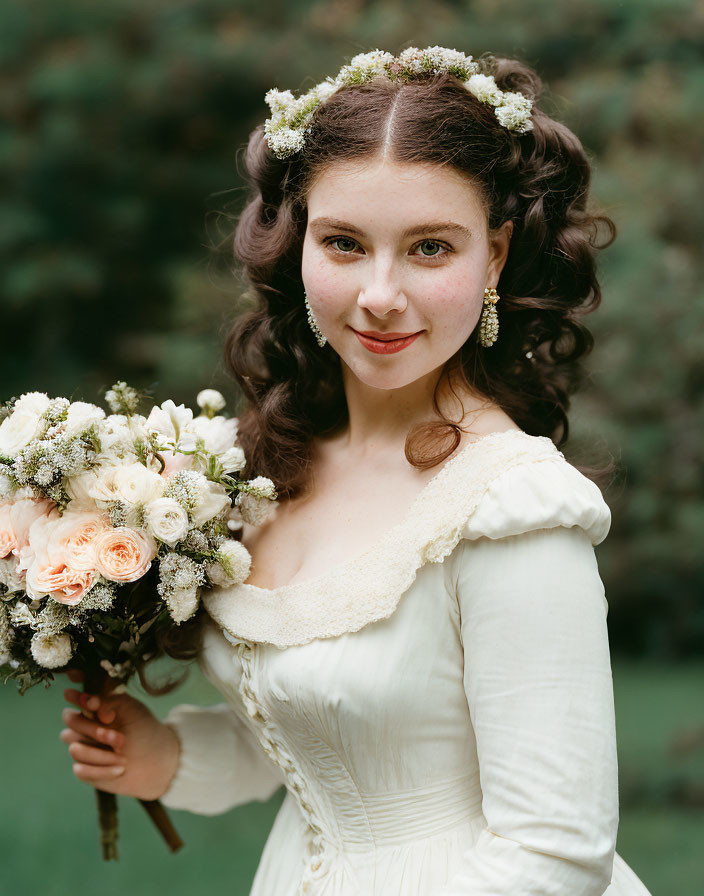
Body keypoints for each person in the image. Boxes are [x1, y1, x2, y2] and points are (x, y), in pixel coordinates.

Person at [59, 48, 654, 895]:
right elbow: (325, 739)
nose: (380, 294)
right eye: (344, 243)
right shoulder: (263, 471)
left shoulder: (512, 511)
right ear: (299, 243)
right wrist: (163, 755)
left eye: (429, 248)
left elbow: (555, 853)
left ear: (493, 256)